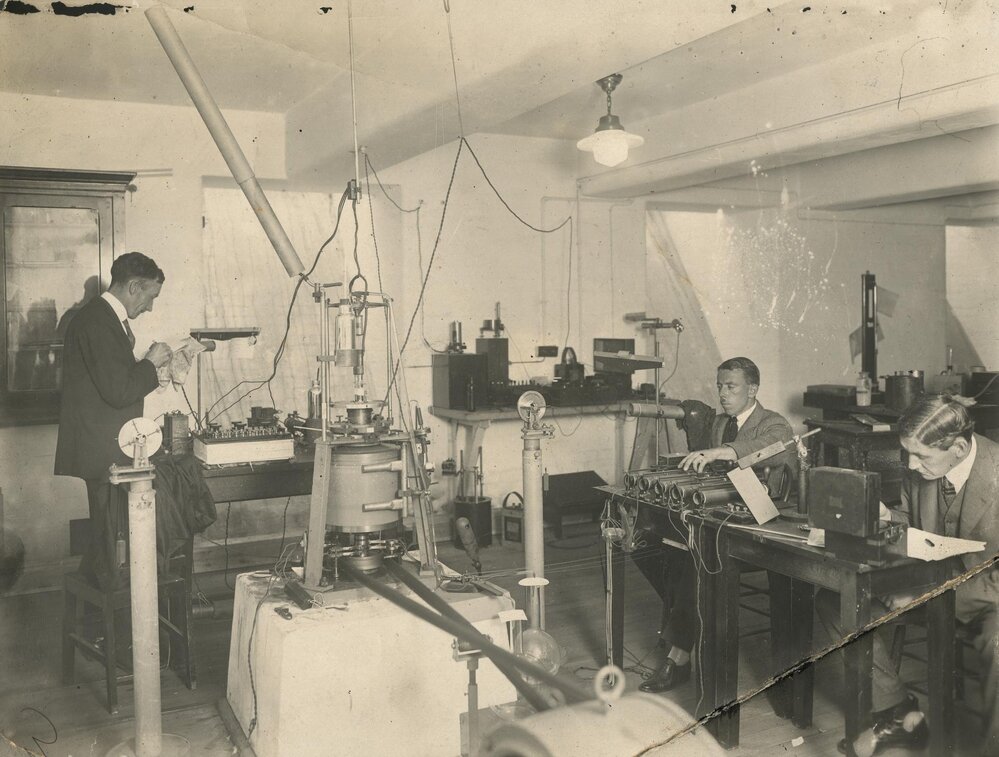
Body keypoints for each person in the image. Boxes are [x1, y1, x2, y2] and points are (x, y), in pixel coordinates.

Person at [816, 394, 999, 755]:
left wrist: (923, 596)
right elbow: (917, 528)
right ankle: (900, 714)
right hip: (935, 582)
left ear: (959, 448)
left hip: (989, 596)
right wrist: (885, 517)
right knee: (839, 603)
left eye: (922, 457)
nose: (912, 466)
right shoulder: (923, 464)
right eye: (908, 454)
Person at [640, 356, 794, 693]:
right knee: (645, 542)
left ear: (752, 389)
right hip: (719, 515)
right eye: (720, 386)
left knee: (695, 561)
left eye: (731, 386)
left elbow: (772, 448)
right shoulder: (721, 422)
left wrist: (720, 452)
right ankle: (690, 616)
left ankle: (678, 657)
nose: (723, 393)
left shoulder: (774, 422)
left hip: (761, 522)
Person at [54, 252, 172, 590]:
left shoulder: (102, 318)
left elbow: (111, 379)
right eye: (150, 296)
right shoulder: (98, 321)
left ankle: (100, 611)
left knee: (106, 539)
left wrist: (146, 366)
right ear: (134, 286)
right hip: (103, 451)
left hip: (105, 446)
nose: (150, 307)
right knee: (108, 544)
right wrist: (150, 364)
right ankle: (110, 617)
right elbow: (119, 391)